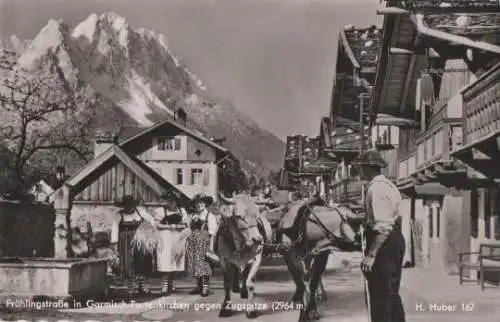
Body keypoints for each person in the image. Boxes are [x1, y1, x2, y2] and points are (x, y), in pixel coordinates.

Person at [355, 150, 406, 322]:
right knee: (390, 294)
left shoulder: (377, 189)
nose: (359, 170)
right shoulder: (388, 186)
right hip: (392, 239)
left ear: (368, 168)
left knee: (380, 296)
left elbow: (383, 227)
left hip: (384, 243)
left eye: (360, 167)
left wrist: (371, 255)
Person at [111, 195, 156, 295]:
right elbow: (115, 230)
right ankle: (130, 286)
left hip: (140, 241)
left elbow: (152, 223)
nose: (129, 207)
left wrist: (147, 233)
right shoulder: (118, 215)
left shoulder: (141, 213)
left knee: (142, 262)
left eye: (131, 205)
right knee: (128, 263)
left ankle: (142, 286)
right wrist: (114, 244)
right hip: (125, 242)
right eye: (127, 205)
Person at [185, 193, 219, 297]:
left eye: (201, 202)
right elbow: (188, 229)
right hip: (193, 242)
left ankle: (205, 287)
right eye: (197, 203)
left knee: (204, 264)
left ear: (205, 204)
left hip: (204, 242)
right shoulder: (193, 215)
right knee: (195, 264)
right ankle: (198, 286)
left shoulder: (210, 215)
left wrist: (211, 246)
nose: (199, 204)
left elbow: (212, 232)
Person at [154, 198, 189, 296]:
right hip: (165, 238)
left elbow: (186, 224)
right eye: (169, 200)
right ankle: (165, 284)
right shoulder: (161, 211)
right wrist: (171, 227)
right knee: (165, 261)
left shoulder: (182, 211)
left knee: (176, 262)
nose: (171, 202)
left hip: (178, 238)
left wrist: (181, 227)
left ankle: (171, 282)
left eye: (173, 200)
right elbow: (157, 225)